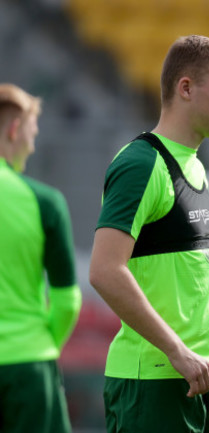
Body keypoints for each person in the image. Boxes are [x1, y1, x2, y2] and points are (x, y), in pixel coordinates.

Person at [88, 35, 209, 433]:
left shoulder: (194, 164)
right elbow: (105, 270)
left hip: (207, 375)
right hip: (156, 383)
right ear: (186, 88)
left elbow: (183, 268)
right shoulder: (141, 163)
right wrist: (177, 349)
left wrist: (207, 332)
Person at [0, 83, 82, 432]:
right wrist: (39, 344)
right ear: (15, 129)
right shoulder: (45, 203)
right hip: (28, 368)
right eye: (32, 133)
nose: (32, 146)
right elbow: (67, 302)